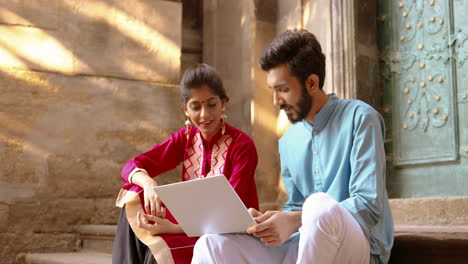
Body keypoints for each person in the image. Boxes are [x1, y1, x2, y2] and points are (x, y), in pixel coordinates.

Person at [192, 29, 394, 264]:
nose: (276, 101)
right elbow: (296, 206)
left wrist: (297, 219)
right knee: (211, 244)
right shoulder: (288, 140)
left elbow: (368, 206)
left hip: (362, 246)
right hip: (308, 246)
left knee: (317, 205)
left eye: (283, 89)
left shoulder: (361, 118)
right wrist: (273, 222)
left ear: (311, 83)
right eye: (273, 91)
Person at [112, 64, 259, 264]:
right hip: (190, 225)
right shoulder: (185, 138)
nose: (205, 115)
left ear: (224, 103)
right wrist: (149, 184)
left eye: (212, 104)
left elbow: (230, 215)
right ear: (185, 110)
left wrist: (172, 228)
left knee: (162, 247)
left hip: (230, 234)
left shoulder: (242, 146)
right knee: (134, 192)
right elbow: (131, 165)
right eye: (196, 107)